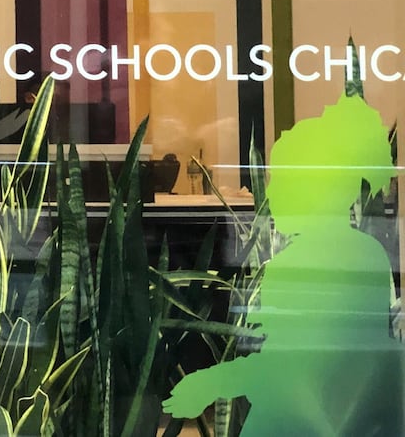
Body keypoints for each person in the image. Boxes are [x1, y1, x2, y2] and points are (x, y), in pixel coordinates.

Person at [162, 96, 404, 434]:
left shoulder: (299, 263)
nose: (272, 197)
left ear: (322, 191)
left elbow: (287, 370)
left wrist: (210, 383)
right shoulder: (368, 252)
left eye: (286, 182)